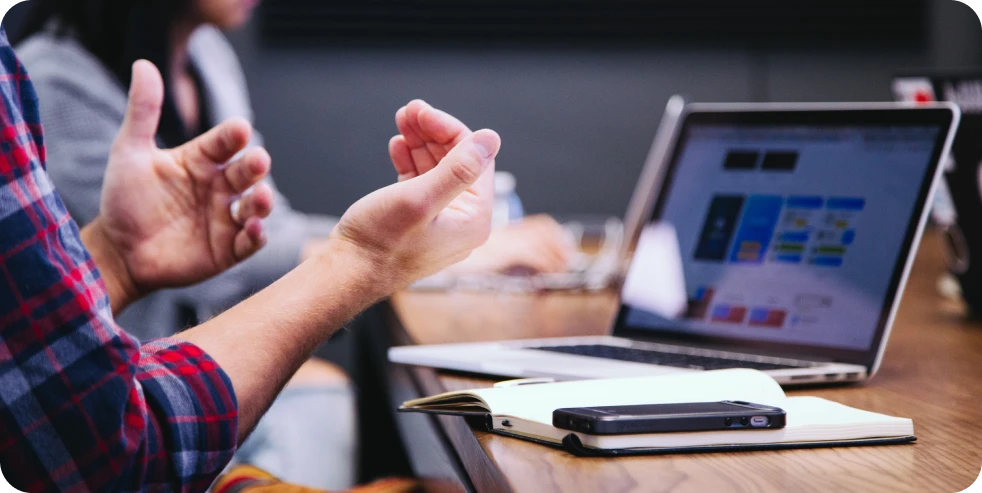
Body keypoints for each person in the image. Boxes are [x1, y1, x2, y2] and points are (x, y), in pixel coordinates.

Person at [13, 0, 574, 487]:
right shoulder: (52, 82)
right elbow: (109, 448)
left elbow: (259, 232)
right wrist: (376, 256)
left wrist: (116, 256)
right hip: (136, 404)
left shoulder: (207, 56)